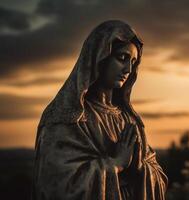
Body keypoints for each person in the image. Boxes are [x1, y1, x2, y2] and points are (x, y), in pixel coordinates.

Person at [31, 20, 168, 200]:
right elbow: (56, 187)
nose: (128, 69)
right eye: (122, 58)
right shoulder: (64, 116)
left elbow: (159, 178)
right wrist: (115, 165)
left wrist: (139, 167)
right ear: (99, 56)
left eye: (133, 62)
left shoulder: (129, 120)